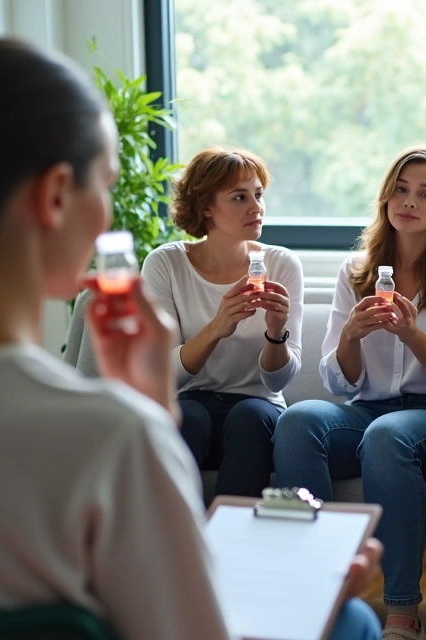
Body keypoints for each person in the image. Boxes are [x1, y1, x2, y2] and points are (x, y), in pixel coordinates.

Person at [0, 38, 379, 640]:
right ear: (55, 196)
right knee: (352, 624)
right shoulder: (112, 441)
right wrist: (307, 600)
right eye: (105, 184)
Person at [273, 144, 426, 640]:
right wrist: (350, 335)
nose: (409, 201)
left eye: (425, 193)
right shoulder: (357, 270)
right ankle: (313, 590)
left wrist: (414, 335)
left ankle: (401, 611)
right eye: (400, 189)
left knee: (389, 435)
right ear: (385, 198)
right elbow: (335, 380)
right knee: (298, 420)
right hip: (365, 410)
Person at [142, 146, 302, 498]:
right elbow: (162, 375)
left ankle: (234, 545)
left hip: (258, 412)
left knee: (248, 417)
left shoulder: (282, 264)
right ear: (206, 207)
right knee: (190, 417)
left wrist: (276, 334)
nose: (256, 207)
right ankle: (180, 547)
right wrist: (217, 328)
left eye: (258, 195)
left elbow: (278, 381)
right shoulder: (165, 264)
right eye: (239, 197)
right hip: (190, 404)